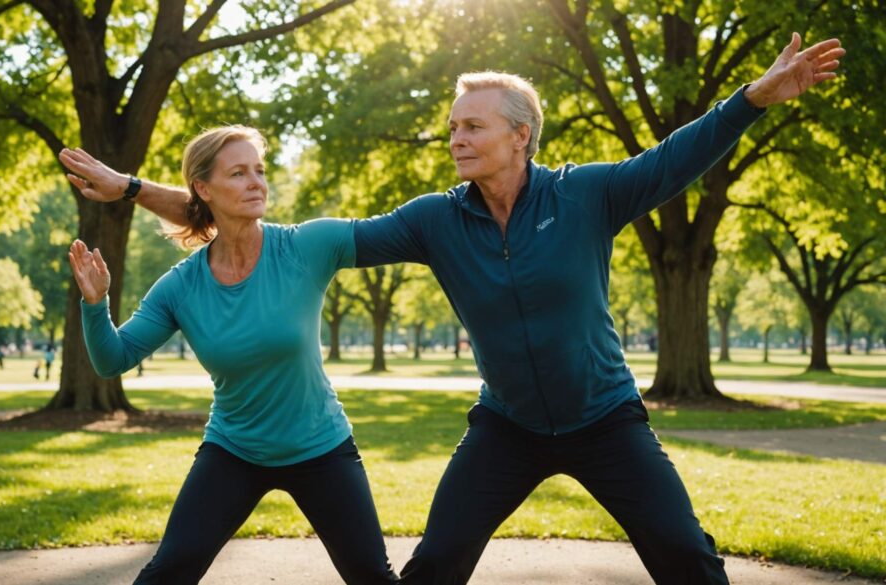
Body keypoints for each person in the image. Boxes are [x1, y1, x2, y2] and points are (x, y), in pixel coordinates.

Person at [62, 33, 843, 584]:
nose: (455, 138)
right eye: (451, 127)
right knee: (433, 566)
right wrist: (135, 188)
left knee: (685, 557)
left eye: (471, 126)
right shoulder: (436, 219)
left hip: (606, 418)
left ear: (521, 135)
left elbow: (678, 156)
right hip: (505, 428)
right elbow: (271, 229)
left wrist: (753, 99)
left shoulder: (587, 195)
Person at [64, 126, 397, 585]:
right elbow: (112, 359)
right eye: (238, 173)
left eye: (259, 171)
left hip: (321, 447)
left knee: (371, 576)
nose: (256, 182)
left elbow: (403, 232)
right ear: (202, 188)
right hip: (235, 450)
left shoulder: (305, 247)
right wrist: (95, 304)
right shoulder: (181, 286)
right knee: (169, 572)